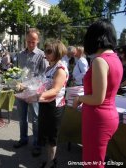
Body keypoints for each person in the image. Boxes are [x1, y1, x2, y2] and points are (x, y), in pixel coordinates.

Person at [73, 19, 123, 168]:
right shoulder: (116, 59)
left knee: (92, 163)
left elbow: (97, 98)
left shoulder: (100, 61)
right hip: (109, 115)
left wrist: (79, 98)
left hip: (98, 119)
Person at [13, 28, 48, 157]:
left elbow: (43, 77)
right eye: (28, 41)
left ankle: (37, 145)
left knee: (35, 119)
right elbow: (18, 71)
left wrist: (27, 85)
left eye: (33, 41)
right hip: (21, 90)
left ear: (38, 40)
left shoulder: (41, 55)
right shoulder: (21, 54)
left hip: (33, 92)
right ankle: (23, 139)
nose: (31, 44)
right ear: (25, 40)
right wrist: (15, 81)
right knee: (22, 118)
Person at [36, 40, 68, 168]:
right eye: (45, 50)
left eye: (49, 51)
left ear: (57, 52)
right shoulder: (50, 66)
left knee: (52, 138)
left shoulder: (60, 69)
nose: (46, 53)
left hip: (54, 107)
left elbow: (55, 90)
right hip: (46, 104)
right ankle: (49, 159)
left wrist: (35, 97)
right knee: (46, 135)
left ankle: (51, 163)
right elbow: (45, 85)